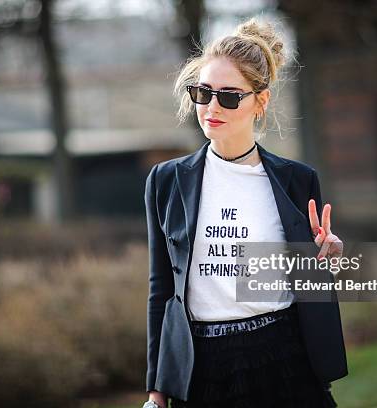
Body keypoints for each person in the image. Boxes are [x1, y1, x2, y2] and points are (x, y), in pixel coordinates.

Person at [143, 17, 348, 408]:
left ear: (261, 101)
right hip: (200, 370)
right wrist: (156, 389)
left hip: (284, 357)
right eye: (203, 93)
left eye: (229, 96)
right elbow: (161, 291)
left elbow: (306, 280)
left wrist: (325, 261)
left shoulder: (296, 180)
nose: (212, 107)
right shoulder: (165, 182)